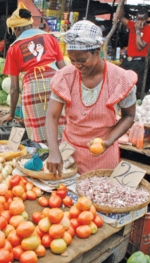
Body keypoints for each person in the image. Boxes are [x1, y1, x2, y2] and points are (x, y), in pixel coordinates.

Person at [45, 20, 137, 176]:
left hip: (103, 156)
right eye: (73, 60)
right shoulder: (65, 77)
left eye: (82, 60)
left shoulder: (120, 79)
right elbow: (52, 116)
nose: (77, 66)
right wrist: (54, 152)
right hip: (69, 154)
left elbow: (129, 116)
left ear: (97, 51)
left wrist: (108, 141)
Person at [0, 2, 66, 144]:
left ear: (16, 29)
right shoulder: (50, 38)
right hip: (54, 86)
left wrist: (11, 114)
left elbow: (13, 88)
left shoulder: (14, 48)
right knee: (60, 128)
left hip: (32, 90)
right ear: (31, 24)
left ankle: (42, 160)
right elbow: (64, 70)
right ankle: (65, 161)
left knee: (38, 137)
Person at [118, 6, 150, 98]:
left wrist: (137, 31)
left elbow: (140, 46)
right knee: (120, 82)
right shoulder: (132, 25)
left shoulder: (149, 31)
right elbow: (120, 17)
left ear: (146, 19)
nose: (140, 22)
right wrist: (122, 4)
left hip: (138, 63)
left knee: (134, 87)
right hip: (128, 60)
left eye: (142, 19)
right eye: (138, 19)